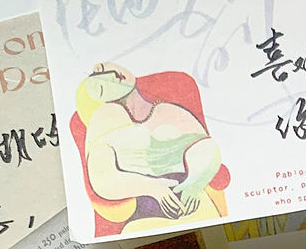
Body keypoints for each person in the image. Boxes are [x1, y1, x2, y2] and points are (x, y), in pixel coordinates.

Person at [75, 62, 229, 231]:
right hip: (145, 214)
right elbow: (102, 179)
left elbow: (205, 146)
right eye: (100, 85)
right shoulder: (103, 119)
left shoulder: (168, 109)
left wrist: (196, 182)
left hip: (193, 202)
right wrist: (152, 187)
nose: (111, 76)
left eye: (101, 68)